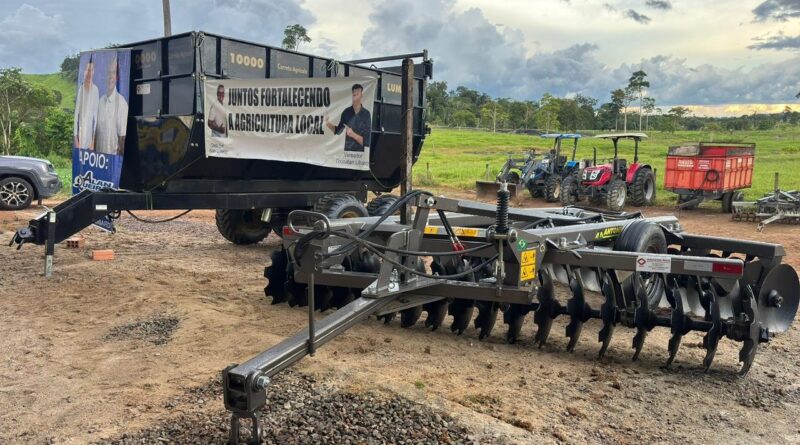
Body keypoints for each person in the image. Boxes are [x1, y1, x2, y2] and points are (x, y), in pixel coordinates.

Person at [95, 56, 129, 155]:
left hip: (112, 161)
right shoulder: (100, 101)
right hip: (99, 161)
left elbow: (122, 138)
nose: (110, 77)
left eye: (113, 73)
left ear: (117, 77)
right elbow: (96, 133)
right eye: (108, 73)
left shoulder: (121, 103)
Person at [325, 83, 371, 152]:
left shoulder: (366, 114)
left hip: (360, 156)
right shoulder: (346, 112)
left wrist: (353, 135)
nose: (355, 97)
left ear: (361, 95)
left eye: (357, 94)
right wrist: (328, 123)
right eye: (353, 95)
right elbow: (338, 131)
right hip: (347, 155)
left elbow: (367, 142)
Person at [73, 56, 99, 150]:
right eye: (87, 70)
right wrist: (76, 141)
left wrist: (93, 142)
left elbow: (96, 117)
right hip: (80, 139)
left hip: (90, 140)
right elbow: (76, 116)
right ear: (84, 72)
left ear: (94, 72)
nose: (89, 73)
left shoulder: (96, 90)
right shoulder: (81, 90)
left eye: (91, 70)